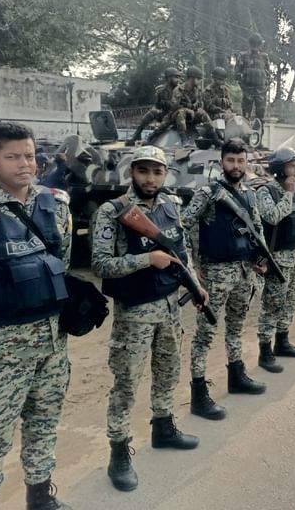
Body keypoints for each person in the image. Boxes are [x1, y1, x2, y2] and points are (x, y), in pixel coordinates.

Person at [0, 122, 73, 510]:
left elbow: (62, 263)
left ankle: (40, 496)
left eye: (30, 156)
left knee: (43, 424)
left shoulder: (56, 204)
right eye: (12, 157)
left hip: (51, 346)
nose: (25, 164)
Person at [92, 145, 203, 493]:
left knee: (168, 372)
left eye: (157, 172)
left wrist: (197, 285)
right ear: (132, 173)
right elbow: (100, 265)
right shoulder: (113, 211)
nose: (150, 179)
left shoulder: (172, 206)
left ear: (165, 174)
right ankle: (119, 451)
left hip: (171, 306)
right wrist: (145, 260)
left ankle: (163, 427)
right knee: (126, 383)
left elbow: (182, 254)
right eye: (143, 171)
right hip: (135, 313)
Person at [182, 138, 268, 399]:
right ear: (221, 162)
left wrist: (260, 257)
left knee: (236, 327)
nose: (236, 165)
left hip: (244, 272)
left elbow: (257, 227)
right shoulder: (207, 194)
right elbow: (182, 226)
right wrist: (192, 265)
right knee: (205, 334)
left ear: (246, 162)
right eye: (230, 160)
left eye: (241, 160)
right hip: (216, 273)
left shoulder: (250, 193)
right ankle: (198, 391)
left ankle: (236, 375)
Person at [256, 147, 295, 374]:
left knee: (291, 300)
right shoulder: (267, 191)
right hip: (276, 259)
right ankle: (265, 351)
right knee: (272, 305)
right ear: (280, 169)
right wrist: (289, 194)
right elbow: (271, 216)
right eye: (292, 166)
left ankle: (282, 341)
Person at [127, 67, 181, 144]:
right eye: (175, 77)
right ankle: (136, 135)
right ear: (168, 78)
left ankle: (150, 137)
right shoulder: (161, 91)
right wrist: (155, 110)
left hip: (176, 116)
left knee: (167, 119)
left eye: (178, 77)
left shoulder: (181, 90)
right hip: (164, 114)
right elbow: (157, 105)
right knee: (151, 112)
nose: (178, 79)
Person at [235, 33, 271, 121]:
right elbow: (237, 73)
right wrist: (243, 87)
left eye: (257, 44)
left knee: (260, 115)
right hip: (248, 89)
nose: (256, 46)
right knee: (246, 116)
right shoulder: (243, 56)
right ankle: (245, 133)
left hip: (261, 90)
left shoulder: (264, 57)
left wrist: (265, 86)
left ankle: (259, 132)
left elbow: (268, 74)